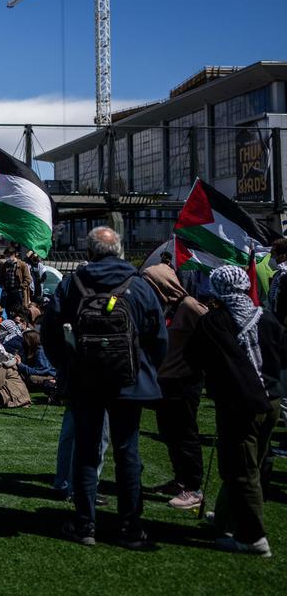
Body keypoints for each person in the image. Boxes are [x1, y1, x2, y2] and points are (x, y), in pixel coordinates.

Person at [42, 226, 167, 549]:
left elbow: (50, 332)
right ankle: (130, 526)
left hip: (85, 379)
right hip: (129, 380)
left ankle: (85, 524)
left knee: (87, 450)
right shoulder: (139, 285)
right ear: (120, 251)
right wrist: (144, 368)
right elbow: (158, 337)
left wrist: (66, 366)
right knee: (128, 452)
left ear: (89, 252)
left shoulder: (72, 285)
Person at [187, 266, 286, 557]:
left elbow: (194, 358)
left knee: (242, 471)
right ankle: (226, 520)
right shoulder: (266, 317)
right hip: (271, 401)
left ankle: (252, 537)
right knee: (248, 464)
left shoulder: (214, 321)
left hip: (239, 403)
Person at [142, 262, 209, 510]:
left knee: (185, 435)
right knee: (169, 433)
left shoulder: (190, 306)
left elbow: (210, 330)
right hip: (167, 381)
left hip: (184, 382)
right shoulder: (168, 307)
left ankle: (193, 487)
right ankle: (180, 480)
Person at [17, 329, 57, 395]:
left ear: (30, 340)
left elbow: (40, 371)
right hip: (44, 374)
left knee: (31, 378)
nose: (22, 342)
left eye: (24, 340)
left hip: (51, 376)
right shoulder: (32, 349)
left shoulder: (41, 351)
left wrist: (20, 364)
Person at [0, 247, 32, 313]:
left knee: (19, 311)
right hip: (8, 292)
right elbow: (1, 277)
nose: (7, 258)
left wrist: (22, 286)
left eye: (8, 256)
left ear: (13, 254)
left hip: (18, 292)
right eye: (6, 256)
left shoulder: (22, 264)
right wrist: (2, 285)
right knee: (8, 310)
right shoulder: (5, 265)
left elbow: (28, 279)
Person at [266, 238, 287, 324]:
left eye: (273, 255)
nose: (271, 258)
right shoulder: (278, 274)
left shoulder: (285, 276)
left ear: (283, 256)